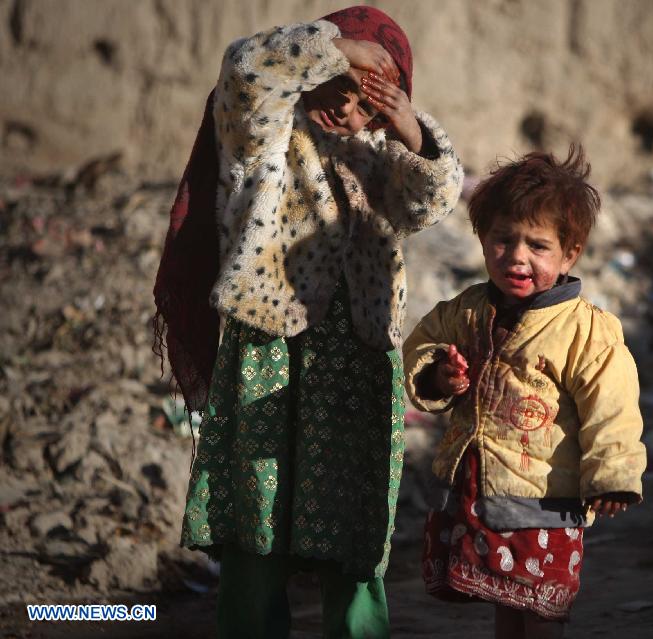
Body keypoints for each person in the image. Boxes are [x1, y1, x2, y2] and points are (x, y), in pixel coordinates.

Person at [152, 6, 463, 638]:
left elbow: (434, 196)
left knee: (354, 520)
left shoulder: (379, 152)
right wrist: (337, 47)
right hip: (268, 347)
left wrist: (409, 127)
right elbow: (245, 68)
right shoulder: (262, 134)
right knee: (257, 516)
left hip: (355, 359)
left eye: (367, 98)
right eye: (338, 84)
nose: (347, 108)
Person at [403, 146, 646, 638]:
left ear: (569, 252)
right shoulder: (467, 311)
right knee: (506, 602)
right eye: (502, 240)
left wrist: (614, 473)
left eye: (537, 246)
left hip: (546, 503)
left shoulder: (585, 331)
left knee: (541, 612)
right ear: (482, 239)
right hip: (483, 493)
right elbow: (421, 347)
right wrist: (438, 378)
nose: (516, 257)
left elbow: (612, 405)